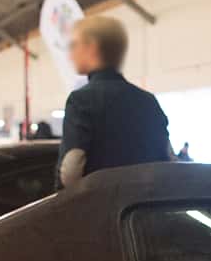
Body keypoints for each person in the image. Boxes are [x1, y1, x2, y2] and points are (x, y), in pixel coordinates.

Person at [57, 15, 171, 189]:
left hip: (99, 202)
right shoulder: (149, 102)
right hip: (145, 200)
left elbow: (71, 170)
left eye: (74, 45)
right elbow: (167, 159)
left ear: (91, 48)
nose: (70, 55)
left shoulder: (81, 100)